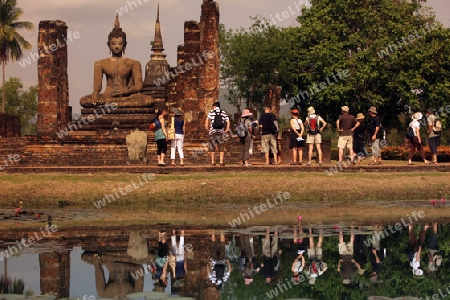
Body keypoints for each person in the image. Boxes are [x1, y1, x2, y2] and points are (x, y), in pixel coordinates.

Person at [80, 15, 154, 108]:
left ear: (125, 45)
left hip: (127, 97)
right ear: (108, 45)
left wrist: (124, 92)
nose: (117, 46)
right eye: (113, 43)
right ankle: (120, 105)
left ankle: (114, 105)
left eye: (120, 43)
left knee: (147, 100)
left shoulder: (134, 63)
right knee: (84, 100)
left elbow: (138, 87)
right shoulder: (100, 63)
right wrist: (95, 93)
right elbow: (97, 87)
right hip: (107, 96)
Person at [205, 102, 230, 166]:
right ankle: (221, 161)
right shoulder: (223, 112)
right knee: (221, 147)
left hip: (212, 132)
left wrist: (207, 128)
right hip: (221, 132)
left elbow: (207, 120)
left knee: (212, 147)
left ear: (214, 106)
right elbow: (228, 121)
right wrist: (226, 130)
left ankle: (213, 162)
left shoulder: (211, 112)